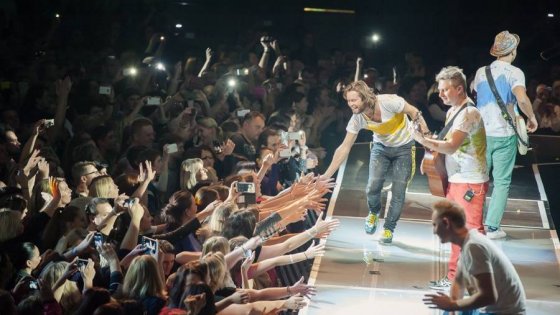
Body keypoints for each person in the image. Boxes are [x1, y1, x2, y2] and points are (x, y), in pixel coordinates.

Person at [322, 80, 428, 243]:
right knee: (373, 185)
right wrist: (327, 175)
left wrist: (425, 134)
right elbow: (344, 147)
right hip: (381, 148)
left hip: (404, 148)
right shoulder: (357, 118)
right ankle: (373, 212)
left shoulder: (389, 102)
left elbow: (414, 112)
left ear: (364, 98)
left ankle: (388, 229)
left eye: (354, 100)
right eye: (348, 101)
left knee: (398, 191)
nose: (350, 104)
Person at [414, 66, 489, 288]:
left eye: (446, 90)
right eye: (440, 90)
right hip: (457, 180)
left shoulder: (469, 113)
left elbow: (451, 145)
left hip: (470, 182)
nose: (441, 94)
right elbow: (445, 144)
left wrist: (423, 141)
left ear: (459, 89)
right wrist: (429, 154)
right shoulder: (453, 112)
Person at [472, 31, 538, 239]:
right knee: (501, 182)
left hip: (480, 134)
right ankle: (492, 227)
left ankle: (473, 222)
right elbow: (522, 98)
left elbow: (475, 93)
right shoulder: (514, 72)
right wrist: (532, 117)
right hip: (503, 134)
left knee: (478, 179)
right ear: (513, 50)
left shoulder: (481, 71)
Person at [423, 199, 526, 315]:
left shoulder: (474, 247)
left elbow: (489, 297)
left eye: (435, 225)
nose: (434, 231)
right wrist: (452, 309)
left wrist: (451, 305)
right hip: (495, 310)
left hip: (504, 313)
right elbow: (458, 283)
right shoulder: (469, 241)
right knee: (451, 311)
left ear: (446, 223)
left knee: (456, 307)